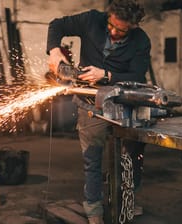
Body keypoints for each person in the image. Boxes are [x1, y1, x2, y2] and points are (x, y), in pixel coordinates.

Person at [46, 0, 150, 223]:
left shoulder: (141, 41)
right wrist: (54, 52)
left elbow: (138, 76)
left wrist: (107, 75)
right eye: (111, 25)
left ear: (133, 26)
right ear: (108, 15)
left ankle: (127, 202)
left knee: (130, 159)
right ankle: (94, 210)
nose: (113, 32)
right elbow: (56, 25)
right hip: (90, 103)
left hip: (124, 105)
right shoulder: (92, 20)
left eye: (120, 30)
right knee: (92, 159)